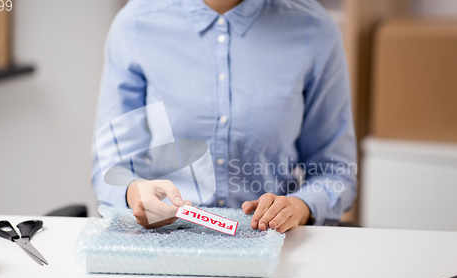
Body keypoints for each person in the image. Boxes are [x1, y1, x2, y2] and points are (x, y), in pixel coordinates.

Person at [92, 0, 357, 233]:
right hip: (162, 245)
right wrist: (133, 193)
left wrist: (300, 207)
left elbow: (335, 171)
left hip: (271, 244)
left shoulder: (314, 28)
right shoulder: (136, 23)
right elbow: (111, 164)